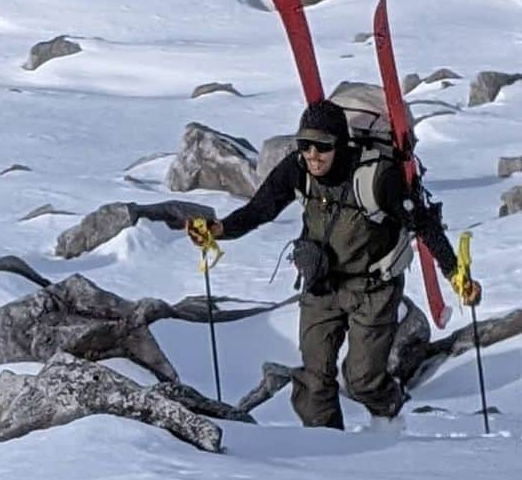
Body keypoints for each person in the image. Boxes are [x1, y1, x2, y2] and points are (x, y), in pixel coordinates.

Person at [187, 99, 481, 430]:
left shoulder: (376, 178)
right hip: (322, 284)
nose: (312, 154)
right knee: (314, 381)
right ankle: (329, 451)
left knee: (362, 380)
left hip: (374, 288)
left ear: (340, 145)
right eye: (305, 144)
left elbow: (424, 225)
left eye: (322, 146)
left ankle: (390, 413)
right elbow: (261, 209)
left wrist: (456, 275)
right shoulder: (297, 168)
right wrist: (220, 230)